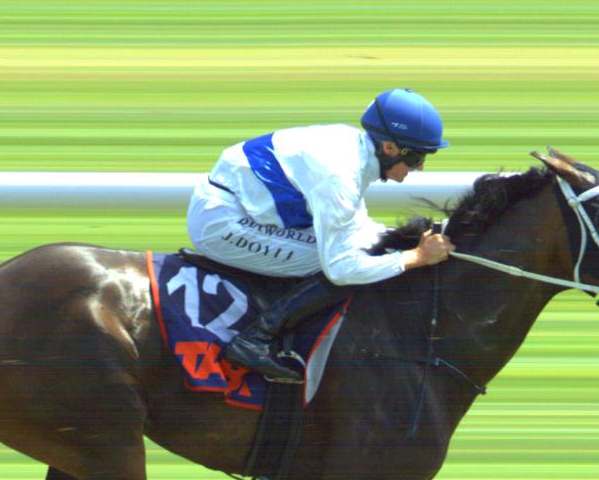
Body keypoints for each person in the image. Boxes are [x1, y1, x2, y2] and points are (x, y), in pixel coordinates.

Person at [181, 89, 473, 384]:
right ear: (389, 147)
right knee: (339, 264)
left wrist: (407, 242)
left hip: (245, 208)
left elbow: (358, 227)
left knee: (365, 250)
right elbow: (341, 268)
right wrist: (416, 256)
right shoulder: (339, 174)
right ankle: (257, 337)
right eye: (417, 156)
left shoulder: (355, 153)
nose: (421, 166)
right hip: (223, 223)